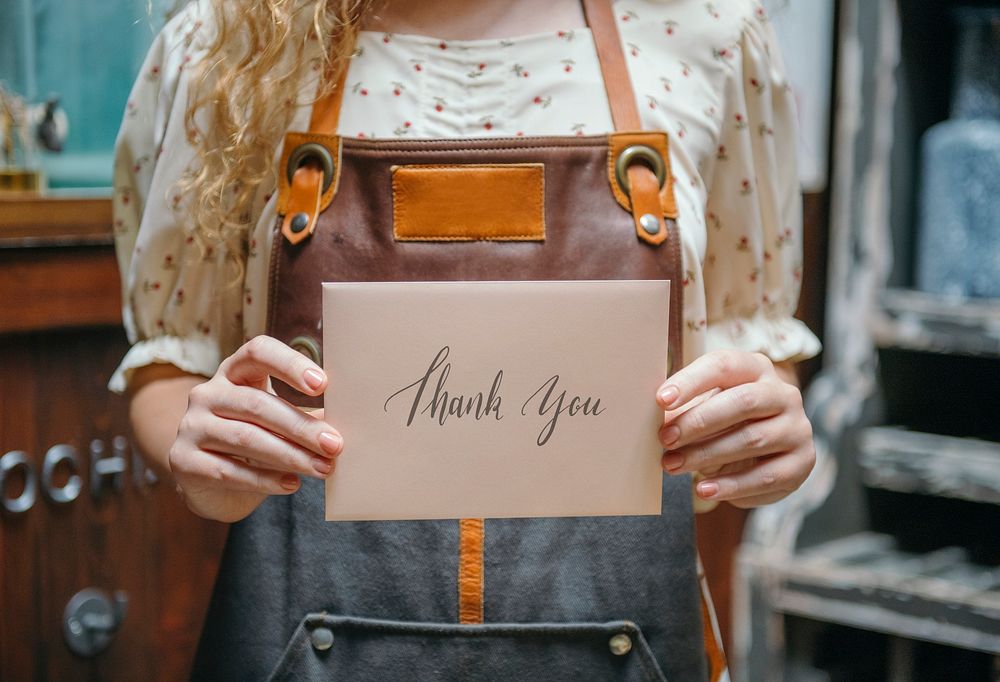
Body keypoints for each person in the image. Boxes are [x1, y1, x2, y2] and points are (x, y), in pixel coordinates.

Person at [112, 0, 821, 678]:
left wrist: (765, 429)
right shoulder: (225, 44)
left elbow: (754, 347)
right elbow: (174, 357)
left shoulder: (714, 35)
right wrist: (201, 450)